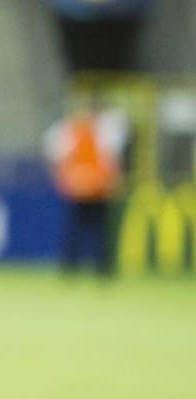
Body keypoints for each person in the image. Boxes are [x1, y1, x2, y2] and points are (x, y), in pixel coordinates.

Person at [44, 94, 128, 277]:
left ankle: (73, 267)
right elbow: (112, 160)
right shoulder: (105, 131)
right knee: (96, 228)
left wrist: (61, 178)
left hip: (83, 186)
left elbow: (55, 154)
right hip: (95, 186)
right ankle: (99, 268)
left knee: (79, 228)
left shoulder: (72, 128)